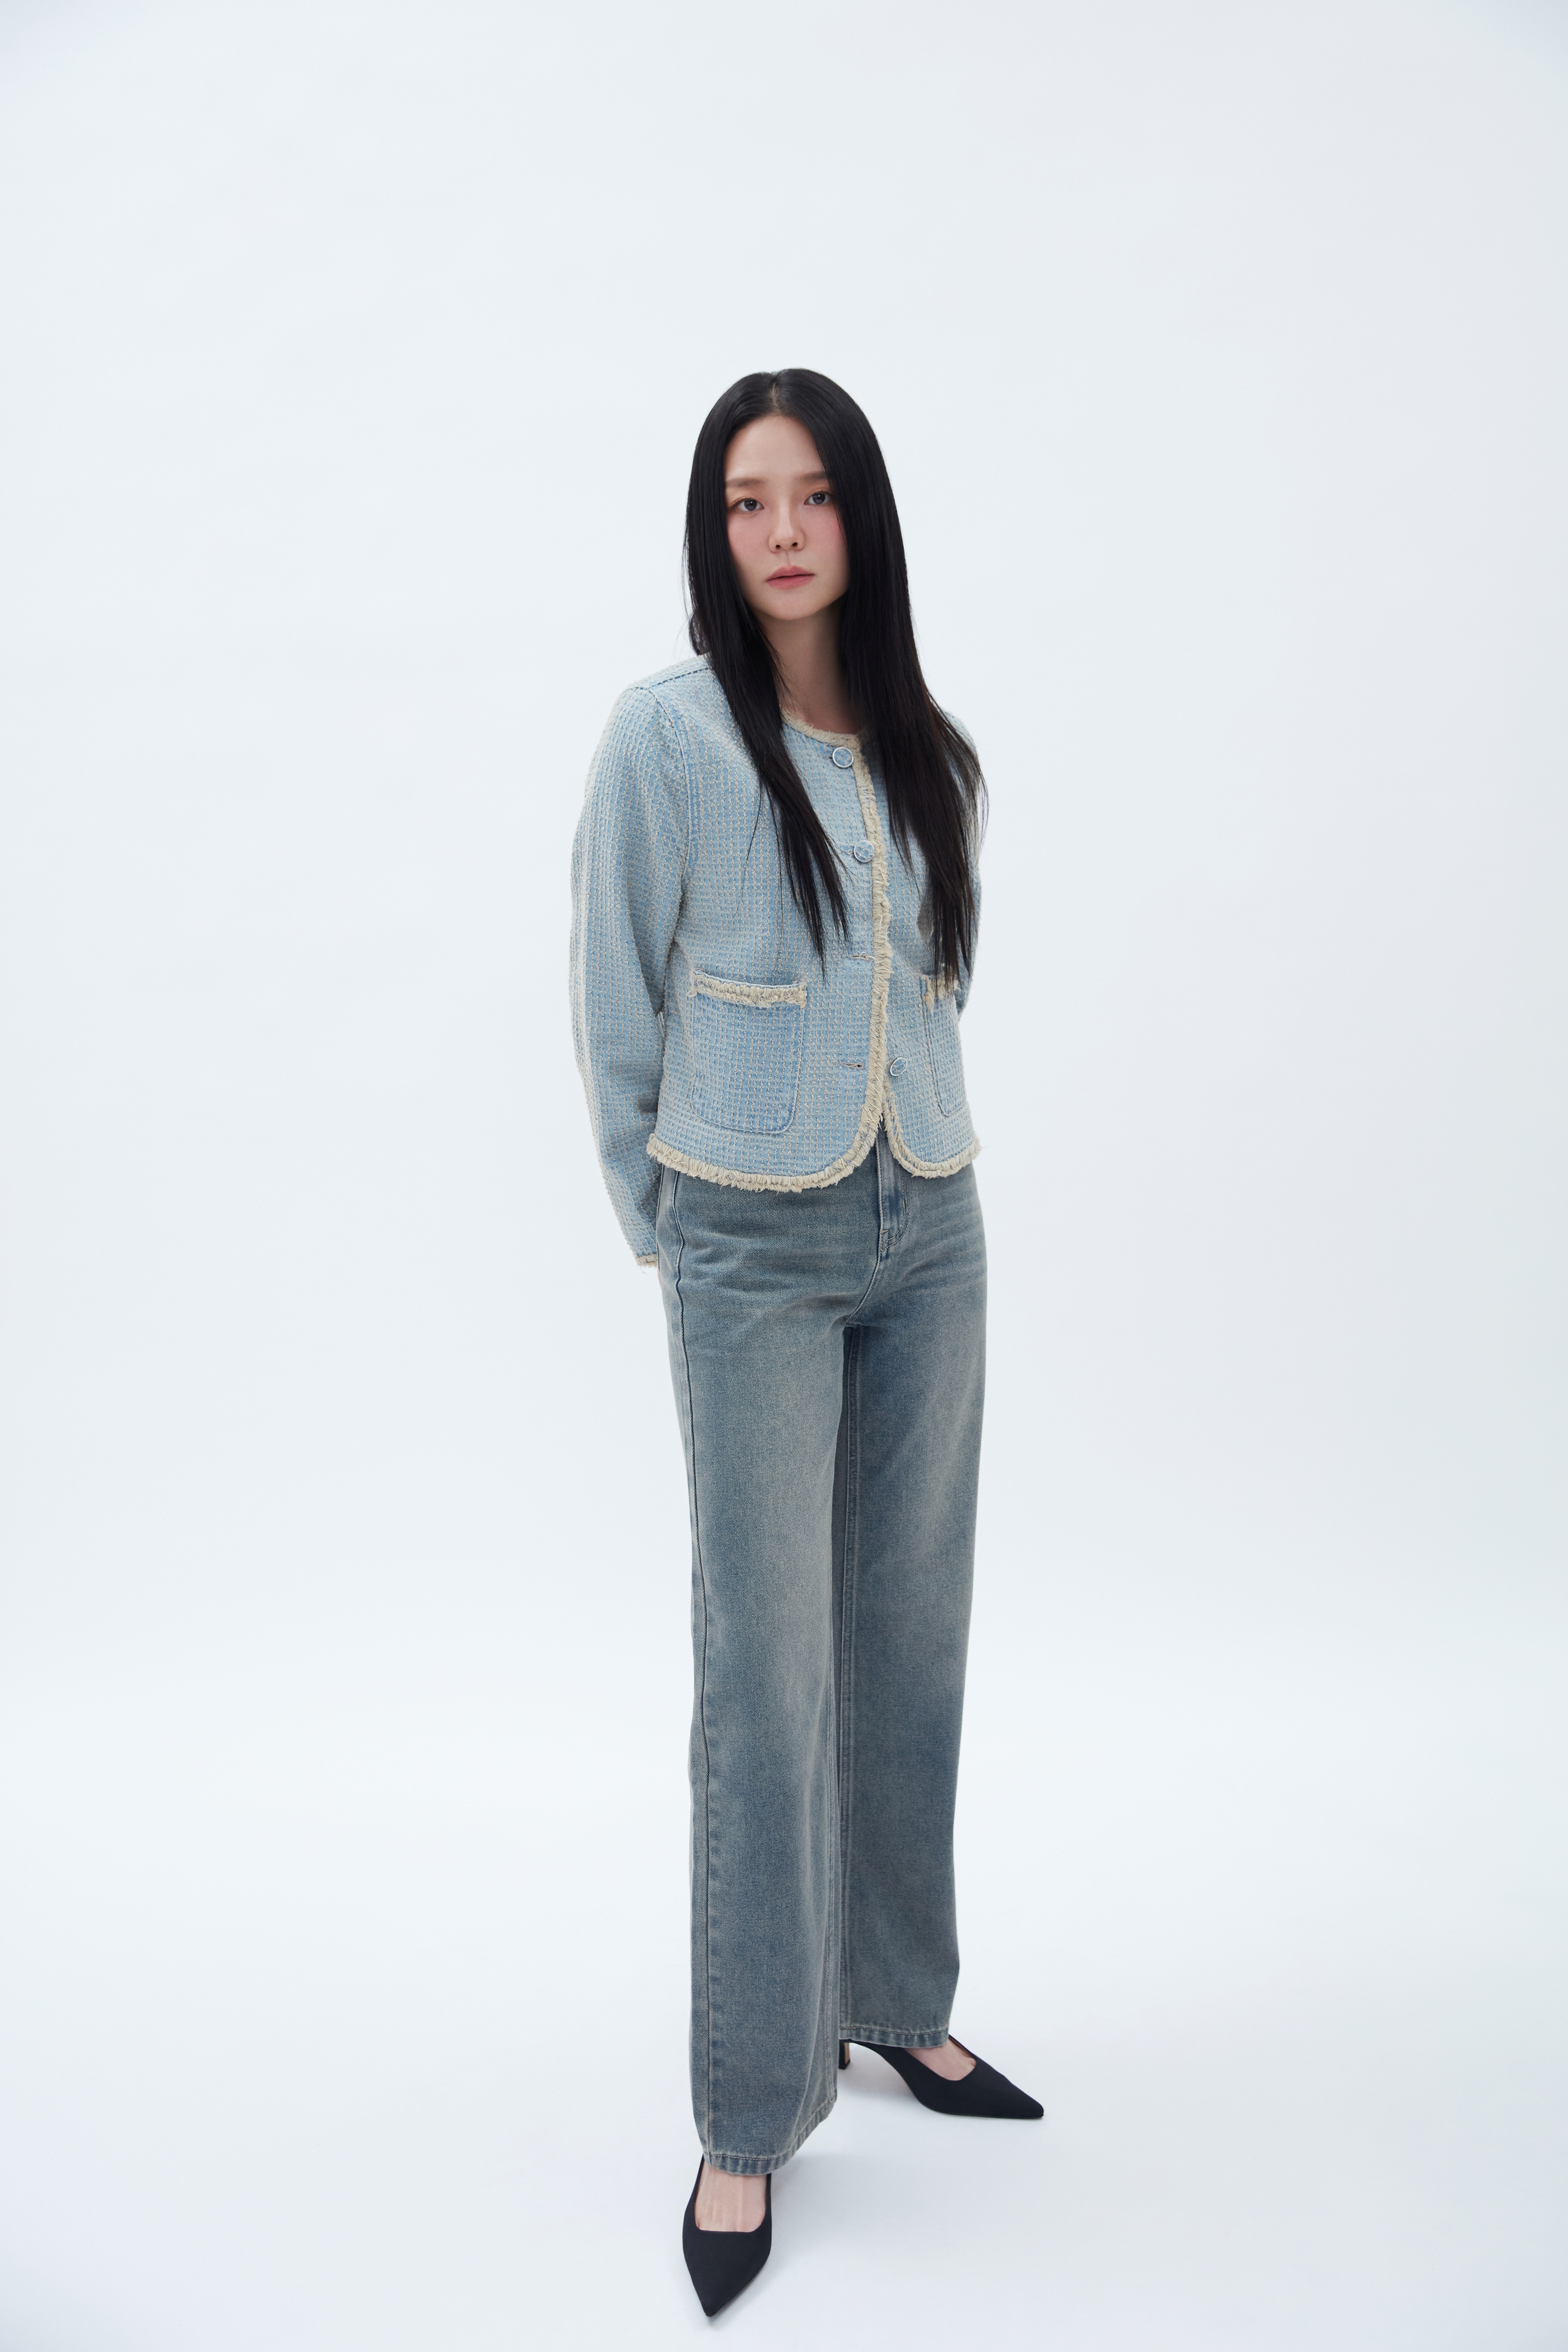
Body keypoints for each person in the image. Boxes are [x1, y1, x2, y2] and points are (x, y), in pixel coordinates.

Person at [570, 368, 1041, 2319]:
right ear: (716, 530)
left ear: (863, 520)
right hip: (747, 1244)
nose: (781, 530)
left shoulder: (933, 748)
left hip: (931, 1223)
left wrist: (911, 1170)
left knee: (907, 1642)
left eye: (815, 494)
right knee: (763, 1681)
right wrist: (671, 1230)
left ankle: (897, 2001)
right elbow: (614, 1003)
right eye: (747, 499)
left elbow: (937, 987)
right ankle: (751, 2105)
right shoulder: (665, 737)